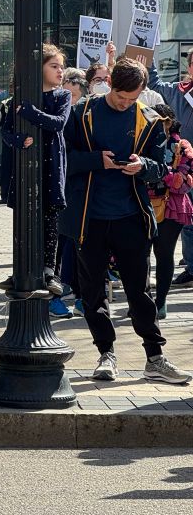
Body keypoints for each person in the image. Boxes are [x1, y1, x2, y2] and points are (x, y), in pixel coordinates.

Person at [62, 57, 190, 384]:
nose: (125, 103)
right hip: (89, 217)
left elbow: (161, 167)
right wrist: (97, 160)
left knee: (139, 290)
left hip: (131, 216)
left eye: (132, 99)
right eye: (121, 97)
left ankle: (155, 357)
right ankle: (106, 353)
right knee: (93, 292)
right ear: (110, 85)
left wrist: (142, 166)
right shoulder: (82, 113)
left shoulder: (149, 118)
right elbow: (64, 160)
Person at [0, 44, 71, 307]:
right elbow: (5, 131)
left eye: (61, 66)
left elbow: (58, 123)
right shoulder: (18, 98)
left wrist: (31, 113)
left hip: (51, 168)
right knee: (24, 220)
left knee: (50, 220)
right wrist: (17, 140)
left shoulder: (62, 96)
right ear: (37, 68)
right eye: (54, 66)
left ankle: (49, 271)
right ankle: (20, 268)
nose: (60, 71)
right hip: (25, 171)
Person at [147, 50, 193, 287]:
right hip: (182, 167)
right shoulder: (177, 91)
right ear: (190, 67)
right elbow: (153, 83)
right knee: (188, 224)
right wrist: (147, 49)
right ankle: (191, 267)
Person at [148, 103, 193, 319]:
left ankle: (160, 301)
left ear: (171, 122)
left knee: (164, 254)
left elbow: (183, 181)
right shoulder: (140, 142)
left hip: (172, 207)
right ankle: (143, 300)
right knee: (140, 255)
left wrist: (156, 173)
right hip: (142, 204)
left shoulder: (181, 146)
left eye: (163, 122)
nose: (159, 126)